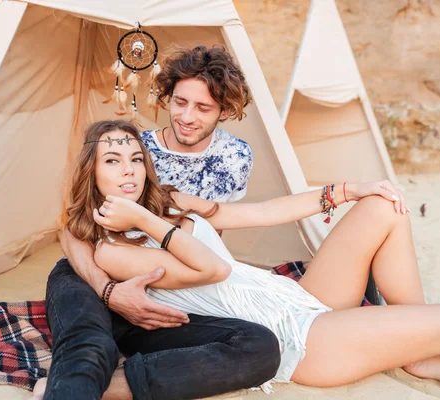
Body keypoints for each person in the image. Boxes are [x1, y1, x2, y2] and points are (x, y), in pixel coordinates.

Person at [61, 120, 440, 393]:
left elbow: (261, 212)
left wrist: (346, 191)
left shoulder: (168, 201)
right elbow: (212, 269)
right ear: (91, 173)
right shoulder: (112, 252)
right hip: (299, 339)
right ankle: (423, 346)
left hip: (293, 296)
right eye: (112, 161)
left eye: (135, 159)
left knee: (382, 205)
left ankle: (425, 352)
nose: (129, 171)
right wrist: (145, 221)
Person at [39, 47, 281, 400]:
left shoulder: (229, 160)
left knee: (258, 344)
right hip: (92, 271)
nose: (186, 116)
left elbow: (245, 223)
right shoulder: (138, 146)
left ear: (224, 111)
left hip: (166, 284)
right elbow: (73, 227)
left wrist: (340, 192)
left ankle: (111, 386)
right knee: (89, 347)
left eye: (202, 107)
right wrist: (108, 289)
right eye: (180, 102)